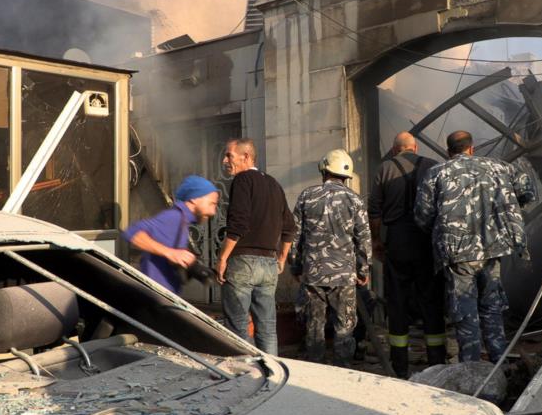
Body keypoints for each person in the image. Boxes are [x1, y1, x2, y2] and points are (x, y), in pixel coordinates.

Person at [414, 131, 535, 363]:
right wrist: (504, 213)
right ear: (472, 148)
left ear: (449, 151)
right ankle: (499, 363)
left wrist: (441, 232)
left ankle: (471, 367)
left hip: (457, 253)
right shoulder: (500, 168)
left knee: (464, 309)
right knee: (492, 306)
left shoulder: (436, 173)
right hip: (492, 248)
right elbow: (527, 192)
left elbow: (422, 215)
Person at [368, 131, 446, 378]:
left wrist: (377, 241)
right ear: (415, 147)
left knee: (397, 302)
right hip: (426, 240)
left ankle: (399, 366)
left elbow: (375, 212)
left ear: (394, 150)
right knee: (431, 300)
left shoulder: (384, 169)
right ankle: (437, 362)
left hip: (398, 241)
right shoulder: (433, 167)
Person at [289, 149, 372, 366]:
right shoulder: (354, 200)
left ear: (324, 170)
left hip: (312, 275)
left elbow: (294, 236)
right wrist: (363, 271)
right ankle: (342, 372)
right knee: (345, 328)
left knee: (314, 326)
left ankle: (316, 370)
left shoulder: (307, 196)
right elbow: (363, 240)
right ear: (346, 177)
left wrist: (296, 267)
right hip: (344, 276)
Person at [218, 138, 296, 355]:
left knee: (237, 327)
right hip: (269, 265)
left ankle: (247, 375)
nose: (225, 161)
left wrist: (223, 258)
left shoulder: (242, 180)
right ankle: (271, 375)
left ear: (246, 157)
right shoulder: (274, 184)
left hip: (242, 262)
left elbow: (238, 224)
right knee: (268, 327)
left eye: (229, 155)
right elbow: (289, 226)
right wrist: (281, 258)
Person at [123, 175, 219, 294]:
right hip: (155, 296)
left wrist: (192, 267)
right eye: (212, 204)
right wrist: (170, 253)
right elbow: (133, 232)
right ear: (194, 199)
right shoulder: (174, 217)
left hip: (163, 296)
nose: (213, 211)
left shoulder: (183, 220)